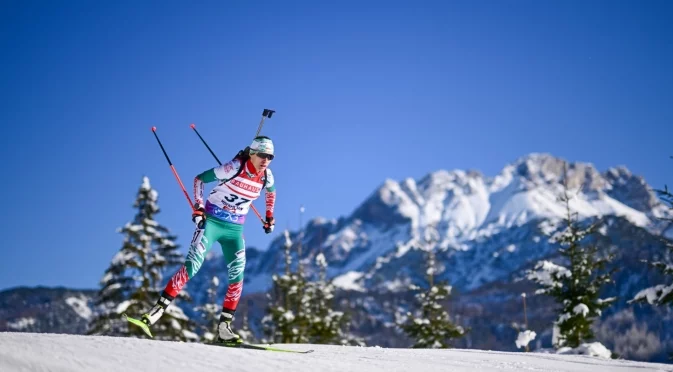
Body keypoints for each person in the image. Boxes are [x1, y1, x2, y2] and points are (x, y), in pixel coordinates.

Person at [139, 136, 276, 344]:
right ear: (252, 153)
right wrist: (199, 207)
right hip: (212, 223)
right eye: (263, 155)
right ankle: (155, 312)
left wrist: (269, 217)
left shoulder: (267, 177)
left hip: (235, 230)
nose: (266, 160)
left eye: (270, 157)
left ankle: (224, 328)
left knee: (237, 277)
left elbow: (271, 194)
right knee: (192, 266)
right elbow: (199, 179)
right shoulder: (233, 168)